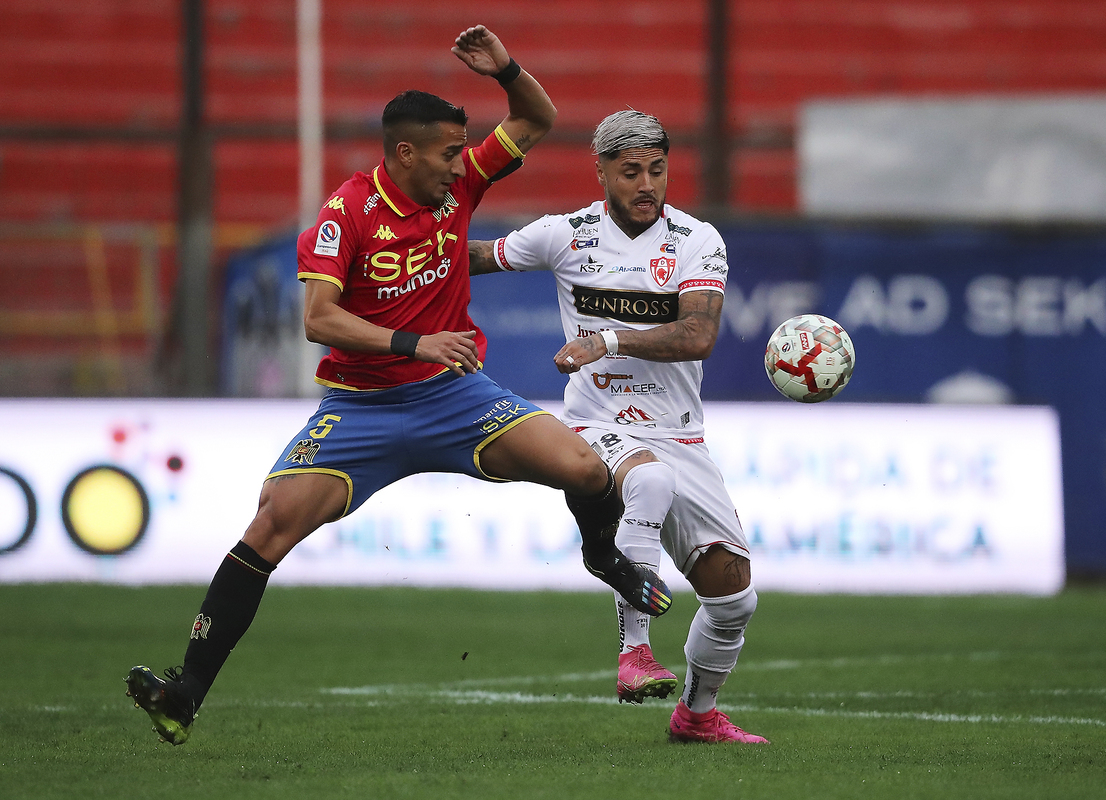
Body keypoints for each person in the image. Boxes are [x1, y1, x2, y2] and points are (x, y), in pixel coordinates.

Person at [124, 27, 672, 746]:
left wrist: (504, 68)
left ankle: (602, 556)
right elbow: (319, 319)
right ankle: (184, 692)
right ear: (405, 153)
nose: (460, 166)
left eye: (462, 153)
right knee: (269, 525)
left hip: (456, 400)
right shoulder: (343, 217)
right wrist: (416, 342)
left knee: (584, 469)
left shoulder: (461, 187)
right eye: (449, 153)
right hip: (363, 410)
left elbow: (536, 120)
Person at [468, 110, 768, 744]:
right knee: (649, 484)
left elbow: (698, 334)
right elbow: (472, 259)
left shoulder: (696, 239)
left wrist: (604, 338)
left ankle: (695, 715)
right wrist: (384, 253)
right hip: (597, 422)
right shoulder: (564, 235)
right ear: (600, 170)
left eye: (657, 170)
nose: (646, 184)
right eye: (631, 171)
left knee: (733, 596)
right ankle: (635, 654)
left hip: (681, 431)